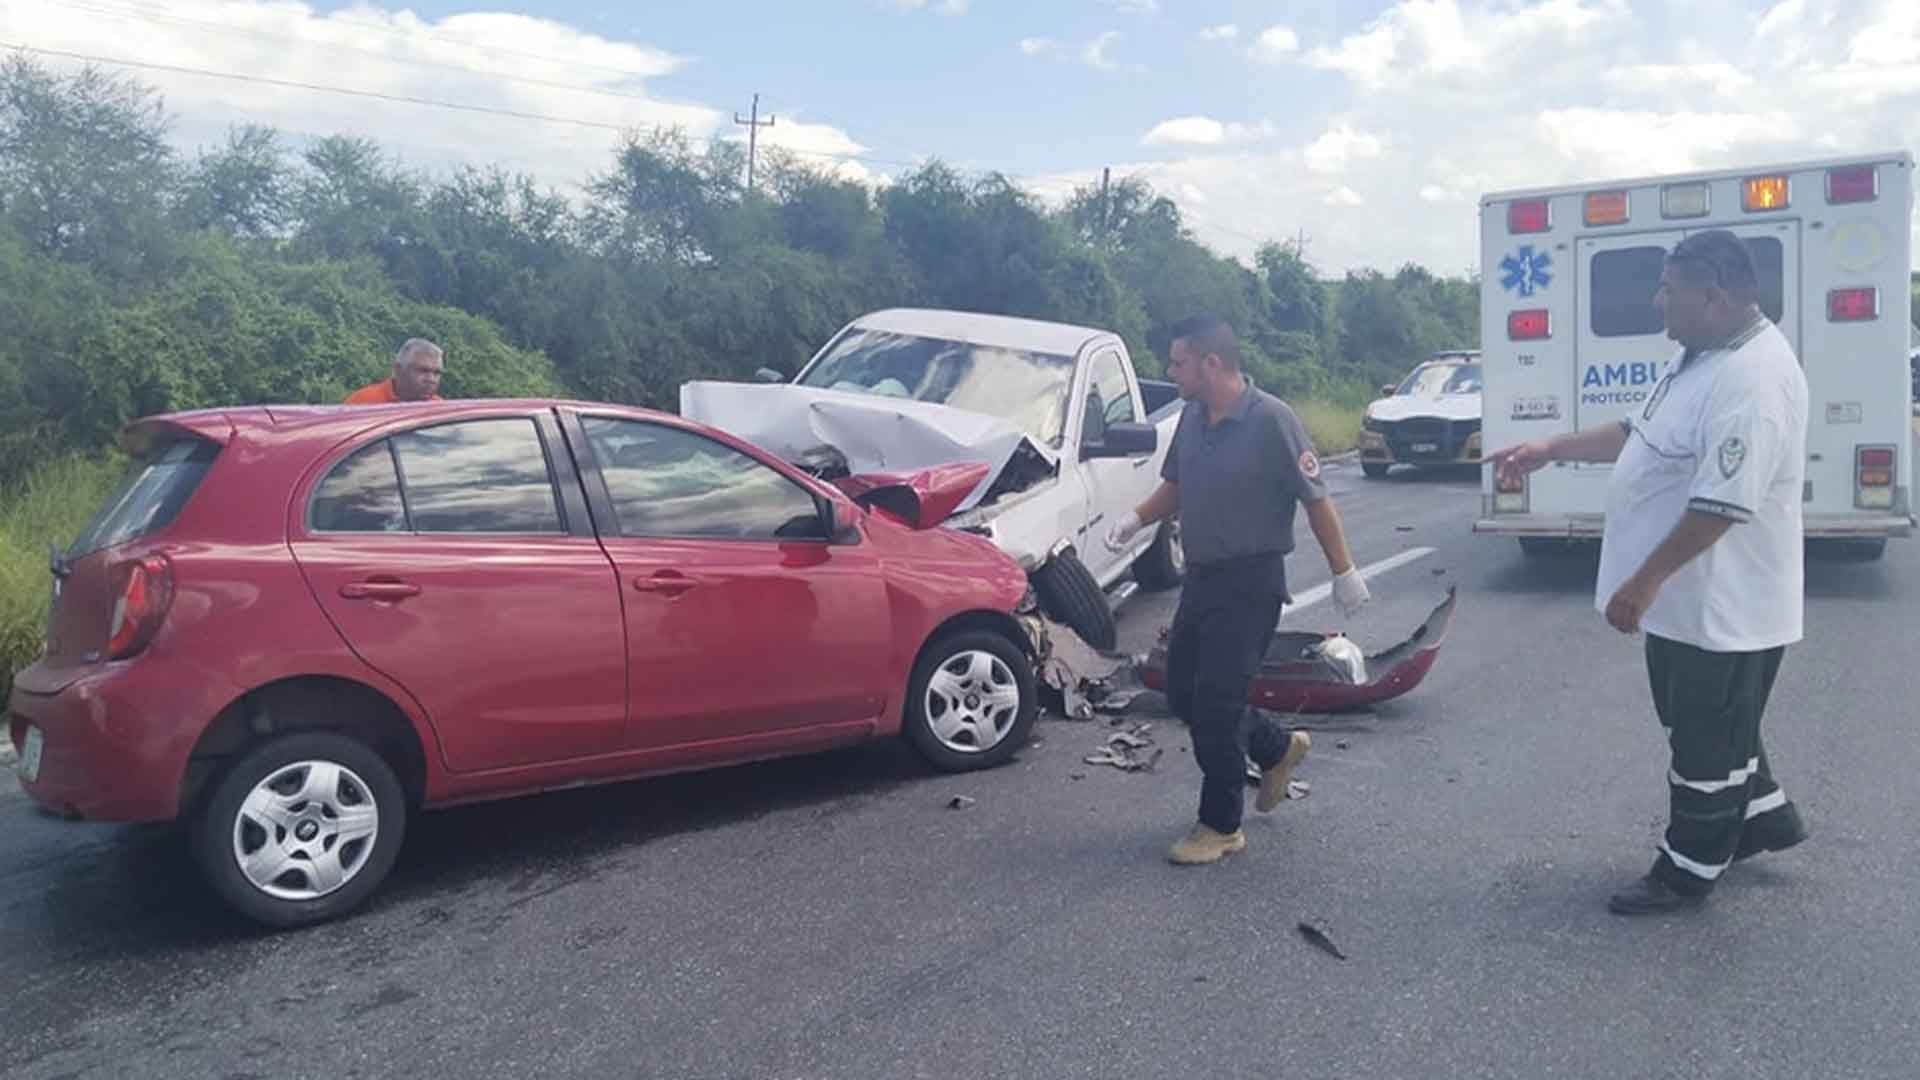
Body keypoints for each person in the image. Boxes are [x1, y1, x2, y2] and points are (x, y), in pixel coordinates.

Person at [1488, 229, 1810, 916]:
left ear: (1714, 297)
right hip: (1690, 601)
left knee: (1704, 737)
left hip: (1721, 604)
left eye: (1668, 289)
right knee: (1713, 723)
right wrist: (1551, 446)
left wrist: (1645, 580)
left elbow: (1722, 504)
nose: (1656, 300)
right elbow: (1637, 432)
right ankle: (1762, 819)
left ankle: (1687, 870)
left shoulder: (1753, 380)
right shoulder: (1698, 358)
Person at [1105, 314, 1372, 866]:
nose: (1169, 371)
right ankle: (1276, 748)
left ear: (1211, 363)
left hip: (1252, 582)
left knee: (1218, 705)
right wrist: (1135, 519)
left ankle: (1221, 824)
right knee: (1181, 691)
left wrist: (1343, 571)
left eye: (1177, 362)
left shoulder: (1272, 420)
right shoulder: (1192, 418)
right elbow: (1175, 486)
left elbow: (1316, 499)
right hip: (1201, 579)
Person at [345, 338, 445, 403]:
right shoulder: (363, 402)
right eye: (423, 371)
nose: (431, 379)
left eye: (437, 373)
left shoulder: (440, 409)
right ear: (398, 370)